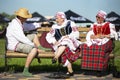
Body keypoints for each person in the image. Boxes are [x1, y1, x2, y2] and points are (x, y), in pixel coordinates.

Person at [6, 8, 51, 77]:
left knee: (34, 35)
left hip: (18, 41)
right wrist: (34, 46)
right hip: (15, 45)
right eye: (25, 17)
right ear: (21, 17)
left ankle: (41, 48)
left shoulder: (19, 21)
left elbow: (29, 26)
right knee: (33, 50)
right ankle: (25, 70)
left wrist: (41, 23)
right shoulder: (15, 25)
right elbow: (23, 39)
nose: (27, 19)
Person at [80, 10, 118, 76]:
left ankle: (101, 70)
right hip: (96, 40)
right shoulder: (94, 25)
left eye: (99, 17)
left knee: (100, 48)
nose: (97, 19)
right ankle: (88, 68)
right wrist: (96, 36)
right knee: (85, 46)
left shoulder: (109, 25)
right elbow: (90, 35)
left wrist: (104, 36)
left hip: (107, 41)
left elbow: (113, 35)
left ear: (103, 18)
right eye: (96, 17)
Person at [46, 12, 81, 76]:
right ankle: (70, 70)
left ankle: (56, 57)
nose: (56, 20)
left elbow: (76, 33)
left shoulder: (70, 23)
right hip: (61, 45)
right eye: (56, 18)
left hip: (72, 43)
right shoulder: (54, 26)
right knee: (64, 49)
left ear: (62, 18)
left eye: (57, 18)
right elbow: (48, 36)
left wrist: (69, 36)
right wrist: (54, 41)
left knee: (66, 40)